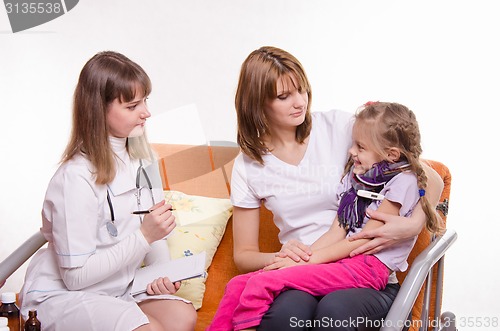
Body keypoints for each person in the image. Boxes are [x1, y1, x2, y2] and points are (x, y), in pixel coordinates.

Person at [219, 46, 444, 331]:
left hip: (361, 273)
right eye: (284, 96)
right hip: (302, 272)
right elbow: (244, 255)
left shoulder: (340, 127)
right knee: (286, 317)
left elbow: (426, 176)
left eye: (302, 89)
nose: (300, 102)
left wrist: (412, 225)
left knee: (335, 311)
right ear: (257, 104)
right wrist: (286, 259)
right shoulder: (248, 166)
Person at [19, 51, 197, 331]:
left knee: (182, 316)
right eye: (132, 106)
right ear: (98, 109)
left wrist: (160, 276)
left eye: (145, 101)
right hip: (64, 296)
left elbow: (157, 236)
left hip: (117, 289)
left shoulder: (145, 160)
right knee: (149, 329)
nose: (146, 113)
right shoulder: (75, 179)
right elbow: (75, 278)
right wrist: (143, 236)